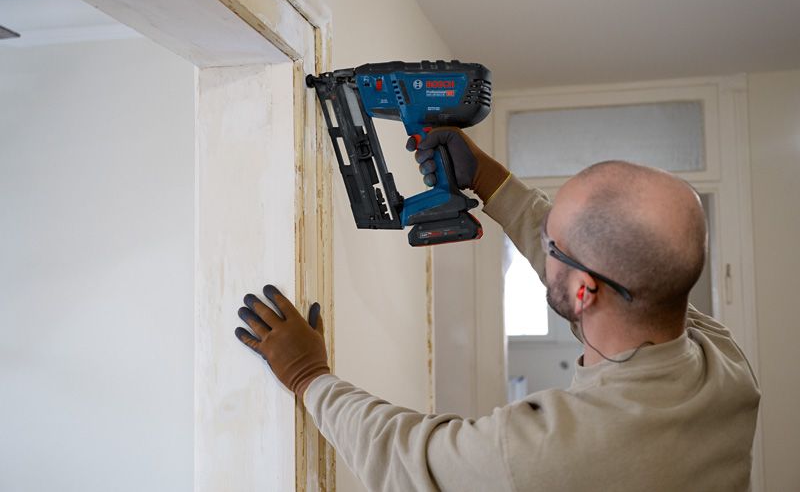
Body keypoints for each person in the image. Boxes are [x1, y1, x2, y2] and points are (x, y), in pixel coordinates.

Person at [235, 128, 761, 492]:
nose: (543, 240)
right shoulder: (724, 363)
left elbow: (408, 458)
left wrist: (308, 376)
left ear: (584, 292)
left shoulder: (550, 449)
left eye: (551, 243)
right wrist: (490, 180)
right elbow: (604, 267)